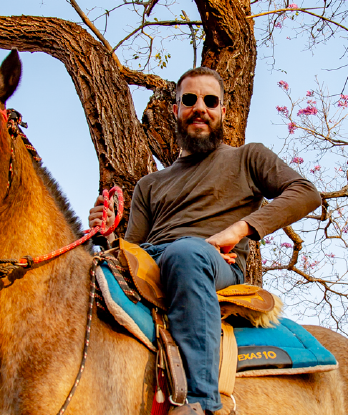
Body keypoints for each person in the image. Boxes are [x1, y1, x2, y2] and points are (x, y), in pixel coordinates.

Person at [89, 67, 321, 415]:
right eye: (190, 99)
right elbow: (131, 253)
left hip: (209, 262)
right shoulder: (148, 185)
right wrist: (107, 236)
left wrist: (239, 230)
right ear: (176, 110)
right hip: (154, 262)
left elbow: (306, 192)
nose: (200, 107)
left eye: (210, 101)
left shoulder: (248, 157)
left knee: (185, 254)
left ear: (223, 111)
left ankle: (200, 403)